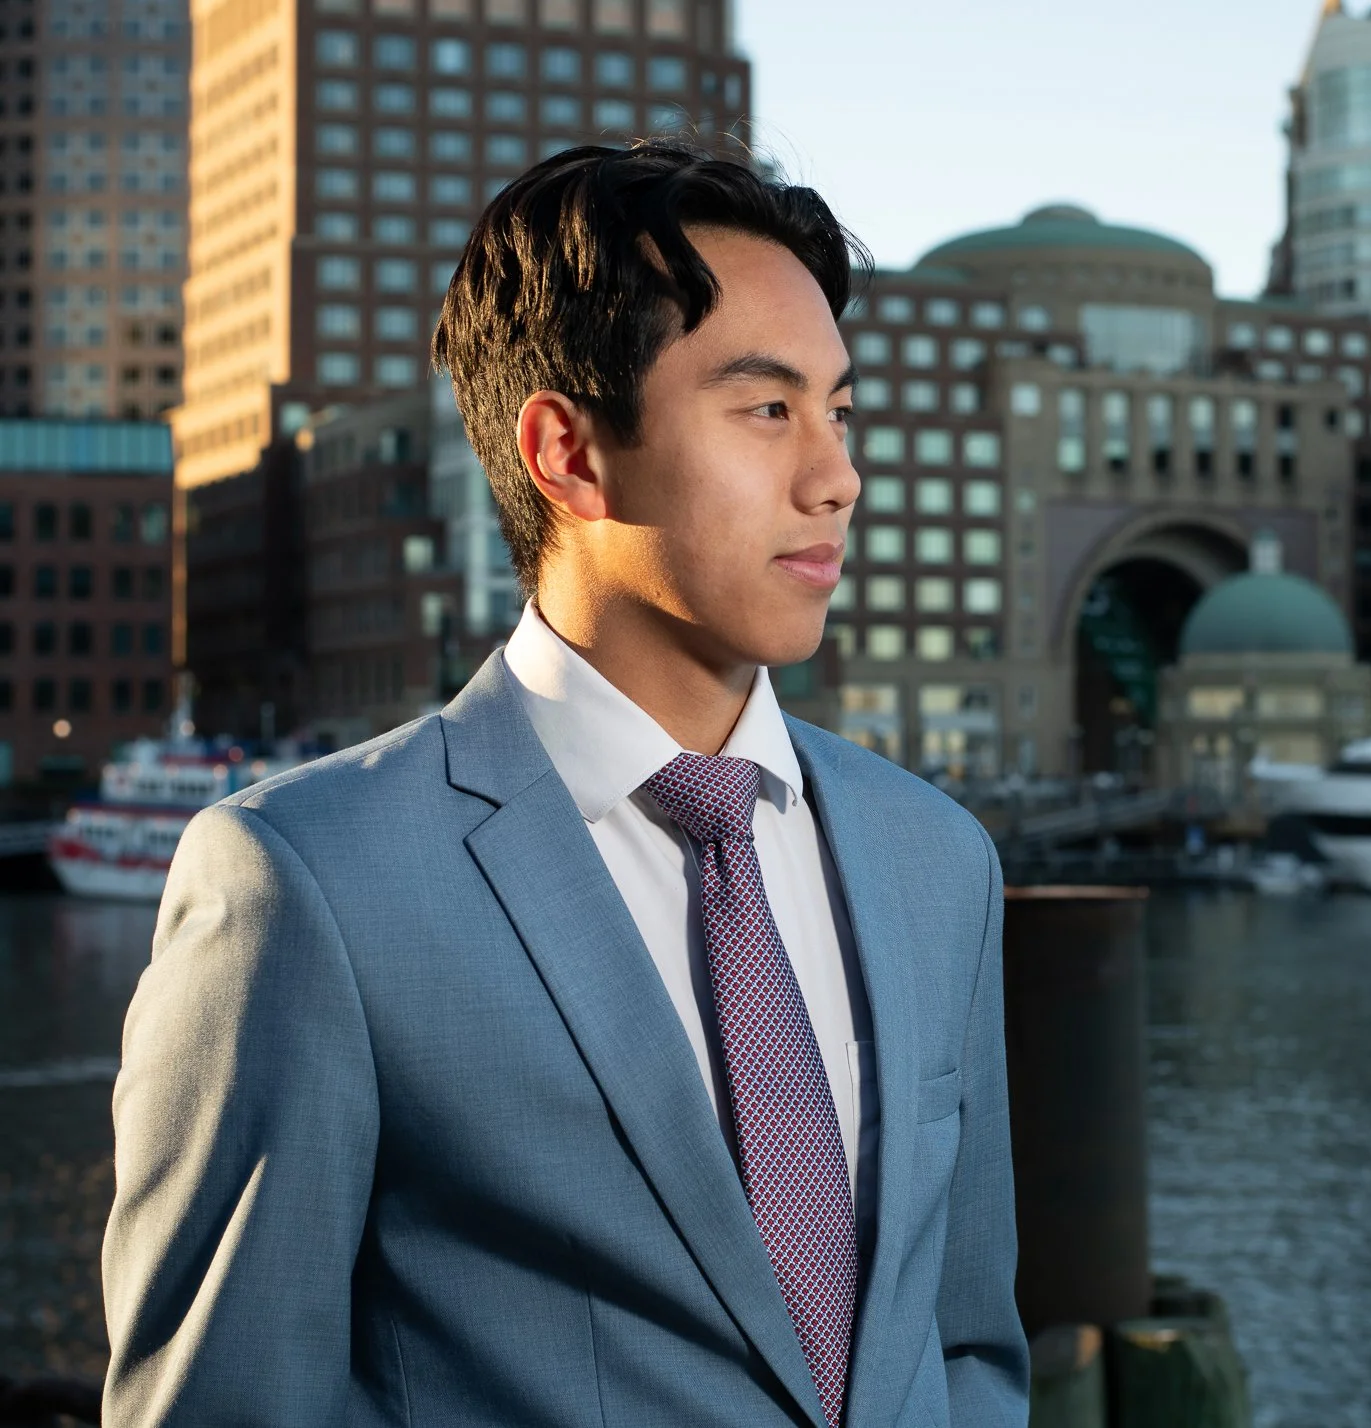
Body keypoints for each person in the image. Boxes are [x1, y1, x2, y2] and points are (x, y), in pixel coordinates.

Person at [101, 139, 1029, 1428]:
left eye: (842, 409)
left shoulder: (937, 859)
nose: (838, 476)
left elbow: (968, 1344)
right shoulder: (308, 887)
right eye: (769, 410)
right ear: (569, 452)